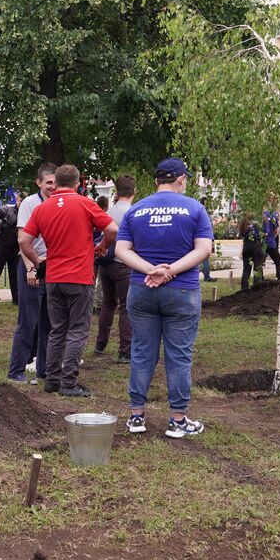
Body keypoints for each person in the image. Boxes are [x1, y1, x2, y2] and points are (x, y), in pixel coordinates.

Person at [115, 158, 214, 437]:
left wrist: (150, 270)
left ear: (156, 181)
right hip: (182, 290)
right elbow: (203, 249)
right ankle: (178, 420)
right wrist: (170, 271)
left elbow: (121, 250)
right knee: (179, 355)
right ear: (181, 179)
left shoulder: (136, 210)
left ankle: (136, 416)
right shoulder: (195, 209)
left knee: (141, 351)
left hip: (142, 288)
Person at [20, 163, 116, 397]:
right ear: (77, 183)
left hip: (53, 277)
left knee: (57, 330)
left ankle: (52, 379)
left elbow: (23, 240)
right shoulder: (85, 203)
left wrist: (37, 262)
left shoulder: (42, 208)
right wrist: (102, 246)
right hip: (79, 277)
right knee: (77, 330)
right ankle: (69, 382)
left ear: (56, 182)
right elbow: (112, 229)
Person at [7, 164, 57, 384]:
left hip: (52, 267)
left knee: (49, 323)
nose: (53, 186)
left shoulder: (59, 202)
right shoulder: (30, 203)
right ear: (39, 183)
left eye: (56, 182)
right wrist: (30, 268)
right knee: (28, 322)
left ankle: (43, 369)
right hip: (32, 265)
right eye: (49, 183)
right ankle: (16, 370)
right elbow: (22, 239)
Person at [95, 174, 135, 362]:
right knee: (126, 306)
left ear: (116, 192)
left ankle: (100, 343)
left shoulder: (108, 212)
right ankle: (125, 350)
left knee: (108, 303)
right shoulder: (132, 212)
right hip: (123, 264)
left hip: (106, 263)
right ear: (134, 191)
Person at [0, 198, 21, 305]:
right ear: (17, 201)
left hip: (15, 247)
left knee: (15, 273)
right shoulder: (7, 210)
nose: (22, 203)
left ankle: (16, 299)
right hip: (2, 245)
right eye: (21, 201)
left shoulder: (25, 213)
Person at [238, 212, 264, 288]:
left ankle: (244, 289)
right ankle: (256, 289)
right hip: (257, 244)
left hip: (247, 245)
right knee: (257, 269)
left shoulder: (243, 220)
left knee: (246, 269)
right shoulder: (261, 220)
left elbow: (241, 233)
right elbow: (266, 232)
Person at [263, 204, 280, 280]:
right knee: (278, 262)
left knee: (259, 263)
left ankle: (260, 278)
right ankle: (279, 277)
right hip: (271, 242)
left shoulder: (261, 215)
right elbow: (276, 230)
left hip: (263, 242)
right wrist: (273, 237)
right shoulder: (274, 215)